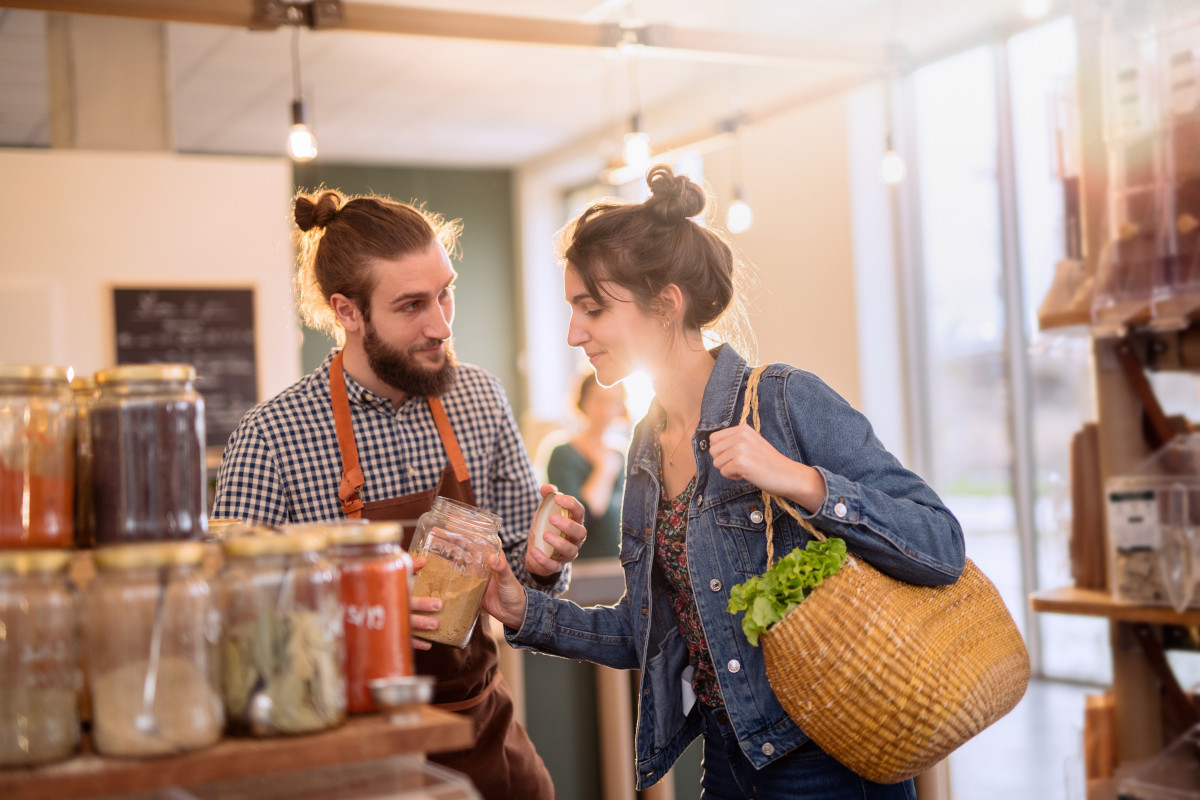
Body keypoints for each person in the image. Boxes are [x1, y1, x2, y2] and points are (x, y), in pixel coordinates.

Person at [481, 165, 966, 799]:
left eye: (592, 308)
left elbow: (940, 543)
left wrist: (796, 480)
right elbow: (650, 630)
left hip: (828, 765)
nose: (575, 333)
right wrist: (529, 614)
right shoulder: (647, 446)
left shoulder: (785, 400)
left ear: (667, 303)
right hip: (729, 763)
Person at [211, 188, 587, 800]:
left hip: (479, 729)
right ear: (348, 311)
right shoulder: (272, 437)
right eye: (411, 304)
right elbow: (231, 620)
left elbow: (521, 565)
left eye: (446, 293)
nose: (440, 324)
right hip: (346, 749)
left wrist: (543, 565)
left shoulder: (479, 399)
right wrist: (361, 614)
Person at [544, 371, 627, 559]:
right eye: (599, 400)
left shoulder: (622, 456)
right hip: (581, 566)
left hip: (617, 564)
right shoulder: (563, 454)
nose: (606, 410)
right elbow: (578, 521)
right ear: (583, 401)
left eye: (613, 401)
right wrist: (603, 470)